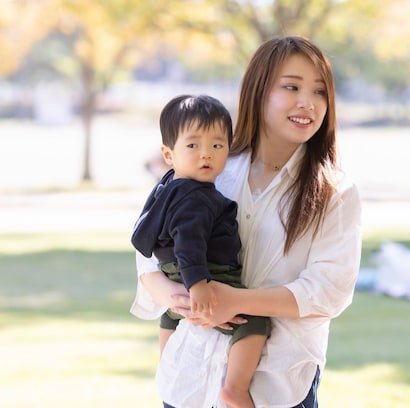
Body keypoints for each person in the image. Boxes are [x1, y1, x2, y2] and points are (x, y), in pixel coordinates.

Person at [130, 36, 362, 408]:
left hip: (277, 384)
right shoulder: (212, 167)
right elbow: (152, 242)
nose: (308, 102)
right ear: (258, 91)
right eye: (292, 87)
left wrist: (237, 301)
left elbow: (328, 290)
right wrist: (168, 292)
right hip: (191, 377)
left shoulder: (335, 191)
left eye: (320, 91)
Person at [131, 94, 270, 408]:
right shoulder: (197, 196)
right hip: (208, 272)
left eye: (217, 146)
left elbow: (143, 231)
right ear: (169, 153)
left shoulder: (167, 186)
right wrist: (199, 285)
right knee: (254, 320)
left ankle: (169, 370)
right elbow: (189, 243)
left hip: (171, 270)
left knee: (173, 314)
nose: (206, 154)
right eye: (193, 146)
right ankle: (236, 387)